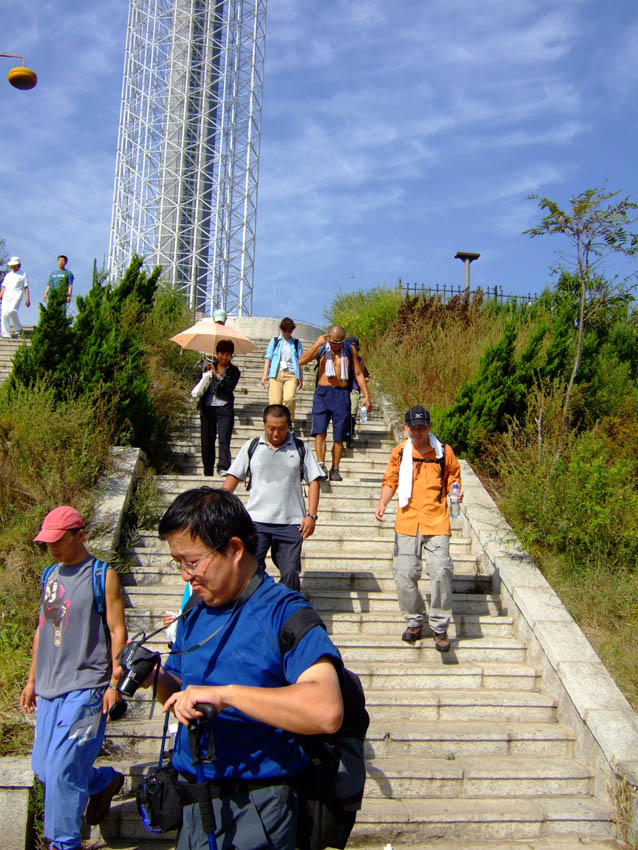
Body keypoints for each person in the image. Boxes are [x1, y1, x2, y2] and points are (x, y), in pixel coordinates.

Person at [140, 487, 343, 850]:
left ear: (234, 549)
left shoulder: (285, 612)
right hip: (194, 801)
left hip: (257, 807)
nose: (186, 576)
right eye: (178, 563)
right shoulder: (195, 612)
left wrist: (227, 696)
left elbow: (326, 710)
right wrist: (153, 676)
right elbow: (180, 692)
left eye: (192, 562)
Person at [20, 506, 128, 850]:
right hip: (49, 686)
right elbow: (42, 629)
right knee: (43, 768)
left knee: (62, 768)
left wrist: (115, 683)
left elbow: (117, 630)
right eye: (47, 541)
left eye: (58, 540)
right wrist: (32, 680)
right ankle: (101, 782)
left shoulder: (102, 575)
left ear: (79, 536)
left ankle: (64, 843)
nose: (51, 547)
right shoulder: (49, 575)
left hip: (88, 688)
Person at [374, 406, 462, 652]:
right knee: (403, 574)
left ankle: (439, 626)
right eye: (413, 428)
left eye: (422, 427)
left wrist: (455, 491)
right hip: (407, 520)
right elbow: (391, 480)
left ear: (430, 427)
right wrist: (382, 503)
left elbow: (453, 477)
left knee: (441, 570)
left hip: (437, 519)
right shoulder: (400, 452)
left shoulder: (443, 451)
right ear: (406, 427)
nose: (418, 432)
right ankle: (414, 621)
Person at [222, 404, 323, 591]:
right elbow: (233, 478)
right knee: (251, 570)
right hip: (255, 522)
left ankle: (289, 606)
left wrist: (311, 515)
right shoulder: (252, 447)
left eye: (281, 429)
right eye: (271, 428)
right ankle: (256, 604)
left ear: (288, 426)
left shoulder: (300, 448)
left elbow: (314, 481)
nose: (276, 433)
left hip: (291, 523)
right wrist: (218, 505)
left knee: (290, 571)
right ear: (264, 425)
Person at [298, 325, 372, 481]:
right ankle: (321, 465)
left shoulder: (350, 350)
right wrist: (317, 344)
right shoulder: (322, 348)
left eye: (340, 342)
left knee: (339, 436)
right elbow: (302, 361)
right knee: (320, 432)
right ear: (328, 338)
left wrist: (366, 396)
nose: (336, 345)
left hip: (342, 394)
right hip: (323, 394)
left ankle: (335, 468)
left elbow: (358, 373)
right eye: (334, 342)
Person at [198, 339, 241, 476]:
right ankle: (207, 469)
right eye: (221, 353)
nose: (224, 357)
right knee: (207, 440)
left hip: (224, 408)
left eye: (227, 354)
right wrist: (206, 374)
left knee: (224, 438)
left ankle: (223, 466)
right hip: (208, 407)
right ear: (217, 354)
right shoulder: (208, 366)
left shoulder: (234, 371)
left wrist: (217, 376)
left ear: (231, 356)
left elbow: (230, 386)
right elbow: (199, 385)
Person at [260, 317, 304, 426]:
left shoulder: (296, 343)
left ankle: (289, 421)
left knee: (289, 399)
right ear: (281, 329)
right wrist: (265, 375)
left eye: (290, 331)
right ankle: (276, 424)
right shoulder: (275, 341)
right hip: (276, 374)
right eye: (285, 331)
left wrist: (301, 377)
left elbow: (300, 361)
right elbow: (268, 358)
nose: (287, 333)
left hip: (291, 375)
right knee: (275, 403)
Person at [343, 336, 370, 449]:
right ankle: (342, 436)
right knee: (343, 414)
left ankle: (349, 436)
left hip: (354, 390)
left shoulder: (359, 361)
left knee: (352, 412)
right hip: (341, 390)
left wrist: (364, 385)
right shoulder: (340, 358)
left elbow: (364, 376)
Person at [1, 256, 30, 338]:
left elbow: (26, 287)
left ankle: (18, 329)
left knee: (11, 311)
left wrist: (27, 299)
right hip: (7, 295)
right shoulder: (8, 275)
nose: (13, 266)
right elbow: (4, 286)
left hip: (17, 294)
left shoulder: (23, 274)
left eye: (14, 265)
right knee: (4, 315)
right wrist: (1, 294)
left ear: (18, 265)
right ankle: (5, 334)